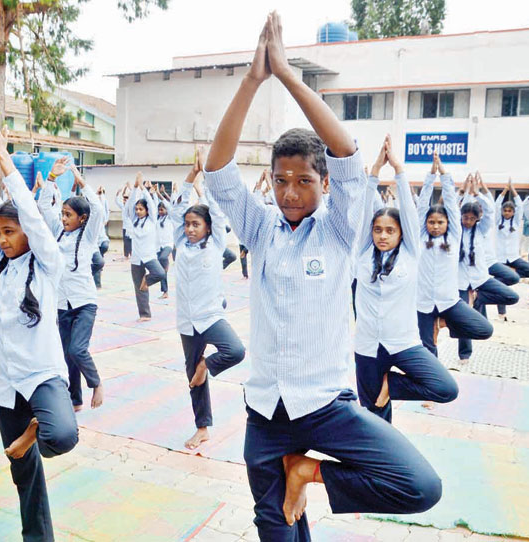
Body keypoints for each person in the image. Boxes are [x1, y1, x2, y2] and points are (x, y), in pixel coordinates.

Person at [204, 12, 442, 537]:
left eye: (305, 180)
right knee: (280, 529)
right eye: (281, 180)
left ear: (324, 182)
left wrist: (288, 76)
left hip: (325, 405)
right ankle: (288, 477)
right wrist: (252, 80)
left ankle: (305, 471)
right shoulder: (260, 229)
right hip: (266, 412)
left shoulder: (340, 228)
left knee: (421, 484)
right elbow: (219, 172)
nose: (291, 192)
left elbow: (349, 155)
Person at [0, 110, 78, 542]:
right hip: (6, 382)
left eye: (10, 232)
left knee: (63, 435)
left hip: (41, 375)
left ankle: (35, 429)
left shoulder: (47, 264)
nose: (2, 239)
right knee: (23, 475)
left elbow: (34, 220)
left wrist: (6, 163)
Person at [354, 136, 458, 423]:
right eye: (378, 230)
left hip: (403, 344)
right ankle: (379, 467)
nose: (383, 236)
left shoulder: (411, 255)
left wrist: (399, 171)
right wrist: (374, 172)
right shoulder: (362, 255)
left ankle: (393, 385)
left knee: (445, 388)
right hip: (367, 348)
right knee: (374, 416)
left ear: (401, 234)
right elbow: (364, 213)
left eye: (390, 230)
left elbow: (412, 215)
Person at [170, 150, 245, 450]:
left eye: (195, 225)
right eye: (187, 224)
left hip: (211, 316)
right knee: (194, 381)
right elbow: (176, 211)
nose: (189, 229)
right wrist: (191, 175)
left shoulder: (215, 244)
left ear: (208, 228)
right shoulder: (180, 244)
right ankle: (202, 428)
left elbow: (217, 211)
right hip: (187, 322)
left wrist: (207, 177)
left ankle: (207, 365)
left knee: (235, 350)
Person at [37, 157, 105, 412]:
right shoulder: (58, 231)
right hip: (62, 304)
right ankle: (74, 399)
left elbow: (97, 209)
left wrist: (81, 182)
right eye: (63, 214)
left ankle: (96, 383)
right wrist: (52, 179)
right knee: (67, 354)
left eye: (69, 215)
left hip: (84, 302)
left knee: (78, 349)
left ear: (82, 218)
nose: (64, 218)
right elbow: (44, 206)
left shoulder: (88, 236)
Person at [416, 155, 494, 359]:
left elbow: (451, 204)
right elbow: (423, 205)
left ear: (447, 223)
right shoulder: (421, 237)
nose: (435, 226)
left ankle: (443, 323)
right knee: (427, 349)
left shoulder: (454, 236)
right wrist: (430, 176)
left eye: (439, 222)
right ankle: (430, 382)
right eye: (431, 222)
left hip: (448, 301)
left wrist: (443, 174)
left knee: (484, 329)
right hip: (422, 304)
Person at [457, 175, 518, 359]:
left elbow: (490, 213)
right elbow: (452, 209)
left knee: (511, 296)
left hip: (480, 279)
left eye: (471, 218)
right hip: (460, 282)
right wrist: (464, 192)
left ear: (477, 218)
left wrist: (479, 193)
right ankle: (465, 355)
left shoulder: (481, 230)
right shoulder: (456, 230)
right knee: (464, 320)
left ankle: (477, 298)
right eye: (465, 217)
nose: (467, 221)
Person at [124, 174, 166, 321]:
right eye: (137, 209)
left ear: (147, 210)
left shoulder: (152, 220)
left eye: (141, 209)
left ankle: (146, 281)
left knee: (160, 273)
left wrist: (144, 189)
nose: (138, 211)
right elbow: (129, 206)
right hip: (136, 258)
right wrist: (135, 188)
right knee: (139, 289)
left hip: (149, 256)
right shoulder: (135, 220)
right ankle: (145, 314)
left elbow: (152, 205)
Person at [493, 179, 529, 318]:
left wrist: (513, 189)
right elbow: (496, 206)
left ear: (513, 212)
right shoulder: (498, 222)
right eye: (505, 210)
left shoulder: (515, 221)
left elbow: (520, 205)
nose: (507, 213)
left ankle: (513, 275)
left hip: (514, 258)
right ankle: (502, 313)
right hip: (501, 259)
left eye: (509, 211)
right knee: (500, 286)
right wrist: (504, 191)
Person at [154, 185, 175, 299]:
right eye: (159, 210)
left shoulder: (170, 218)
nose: (160, 211)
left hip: (168, 245)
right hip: (158, 246)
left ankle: (167, 265)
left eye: (162, 209)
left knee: (163, 259)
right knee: (161, 272)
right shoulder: (157, 220)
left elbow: (168, 204)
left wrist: (159, 194)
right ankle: (165, 291)